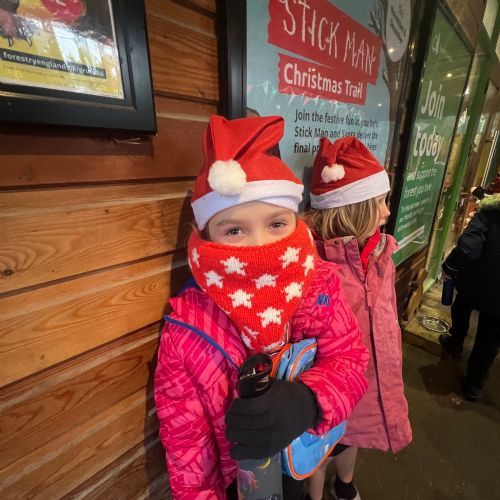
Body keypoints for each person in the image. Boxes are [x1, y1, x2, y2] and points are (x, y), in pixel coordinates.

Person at [154, 115, 369, 499]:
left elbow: (350, 359)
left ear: (296, 223)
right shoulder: (186, 330)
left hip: (302, 463)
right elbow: (188, 453)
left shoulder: (318, 285)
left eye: (276, 224)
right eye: (235, 230)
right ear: (205, 236)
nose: (259, 246)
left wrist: (310, 401)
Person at [306, 137, 412, 500]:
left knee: (355, 436)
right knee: (322, 447)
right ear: (351, 210)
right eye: (378, 203)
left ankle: (345, 484)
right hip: (329, 384)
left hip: (368, 378)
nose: (387, 211)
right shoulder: (318, 269)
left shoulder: (381, 254)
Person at [440, 192, 500, 401]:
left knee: (462, 307)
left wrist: (449, 266)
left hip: (476, 282)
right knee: (489, 339)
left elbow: (468, 246)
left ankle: (455, 342)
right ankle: (474, 385)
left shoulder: (491, 212)